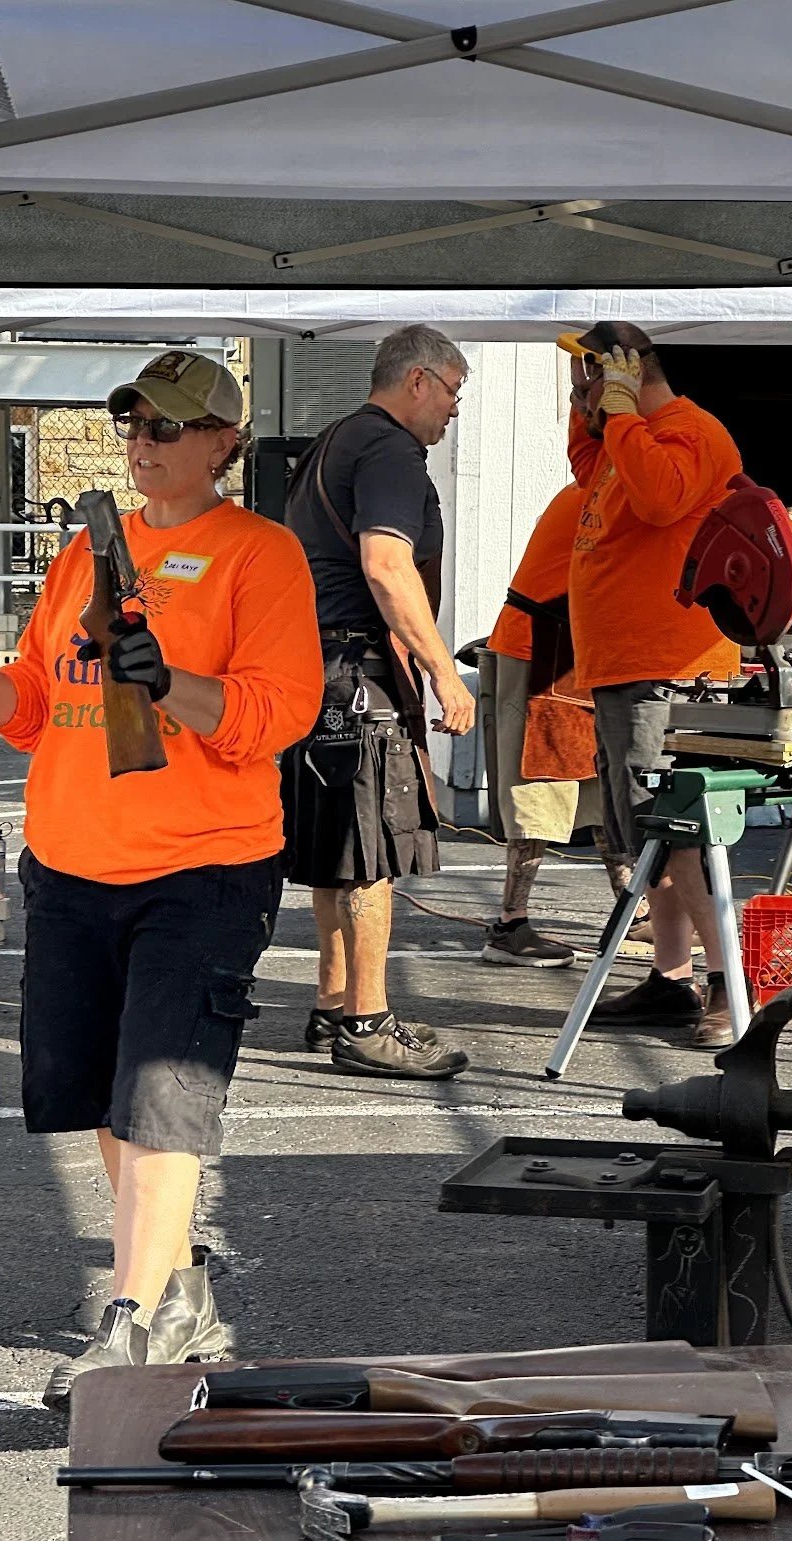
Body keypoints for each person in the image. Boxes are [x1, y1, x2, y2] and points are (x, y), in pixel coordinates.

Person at [0, 351, 322, 1408]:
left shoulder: (257, 556)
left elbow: (278, 714)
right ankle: (176, 1290)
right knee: (101, 1099)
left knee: (161, 1098)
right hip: (73, 863)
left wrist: (167, 681)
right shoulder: (87, 550)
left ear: (224, 442)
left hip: (203, 869)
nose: (142, 442)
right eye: (132, 423)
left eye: (166, 427)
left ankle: (130, 1326)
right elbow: (37, 702)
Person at [281, 324, 475, 1079]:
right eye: (453, 391)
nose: (454, 409)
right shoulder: (391, 449)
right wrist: (443, 673)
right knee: (369, 857)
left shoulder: (332, 441)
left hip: (317, 670)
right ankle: (366, 1023)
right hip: (358, 673)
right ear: (418, 380)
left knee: (334, 853)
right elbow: (388, 565)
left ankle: (334, 1003)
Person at [563, 320, 743, 1048]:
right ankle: (671, 980)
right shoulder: (626, 433)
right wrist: (594, 411)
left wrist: (622, 409)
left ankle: (729, 983)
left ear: (626, 371)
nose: (576, 385)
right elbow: (587, 468)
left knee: (676, 834)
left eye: (585, 372)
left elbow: (665, 500)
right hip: (624, 668)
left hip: (664, 670)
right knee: (647, 837)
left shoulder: (687, 431)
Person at [483, 479, 648, 966]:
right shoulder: (608, 495)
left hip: (579, 646)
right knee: (540, 786)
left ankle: (630, 911)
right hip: (540, 647)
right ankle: (511, 924)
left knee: (601, 783)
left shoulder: (607, 490)